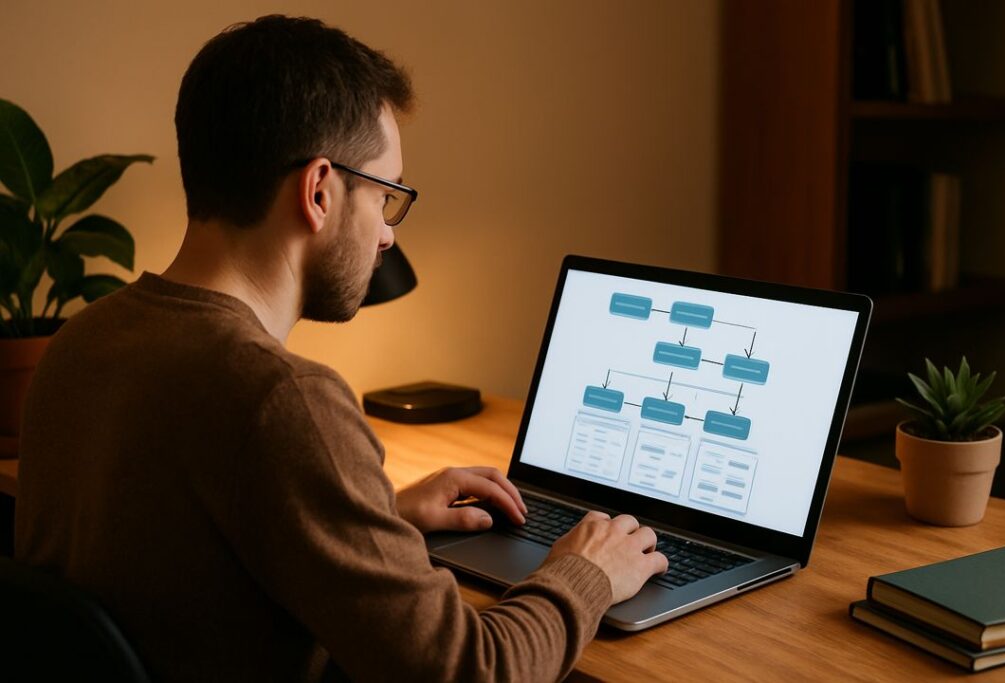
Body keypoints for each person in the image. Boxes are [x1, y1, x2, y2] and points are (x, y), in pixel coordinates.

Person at [15, 15, 667, 682]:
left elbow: (184, 549)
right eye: (386, 197)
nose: (387, 235)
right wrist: (586, 571)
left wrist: (374, 517)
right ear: (320, 190)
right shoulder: (283, 399)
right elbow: (473, 670)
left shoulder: (79, 343)